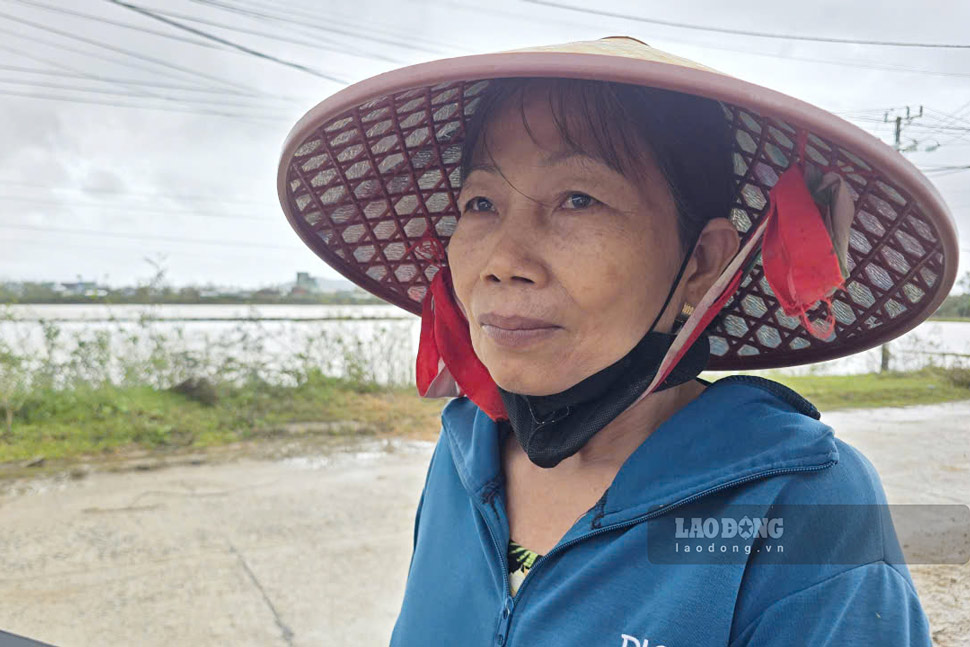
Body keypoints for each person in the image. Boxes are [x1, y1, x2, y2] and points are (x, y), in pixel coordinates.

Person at [276, 37, 958, 646]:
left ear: (702, 262)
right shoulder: (462, 456)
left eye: (578, 199)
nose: (503, 260)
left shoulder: (796, 507)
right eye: (480, 203)